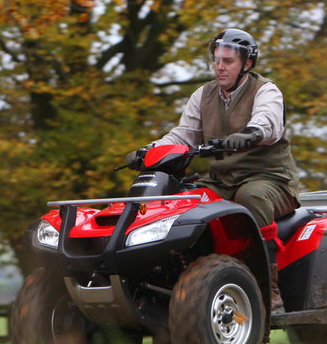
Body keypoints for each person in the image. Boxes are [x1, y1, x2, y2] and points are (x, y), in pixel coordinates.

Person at [126, 28, 300, 313]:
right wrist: (148, 150)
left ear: (247, 64)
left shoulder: (266, 90)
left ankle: (271, 289)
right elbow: (183, 135)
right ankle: (187, 285)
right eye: (217, 60)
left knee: (251, 198)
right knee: (181, 203)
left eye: (228, 61)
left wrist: (250, 134)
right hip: (221, 181)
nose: (220, 67)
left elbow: (268, 123)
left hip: (271, 180)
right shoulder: (203, 95)